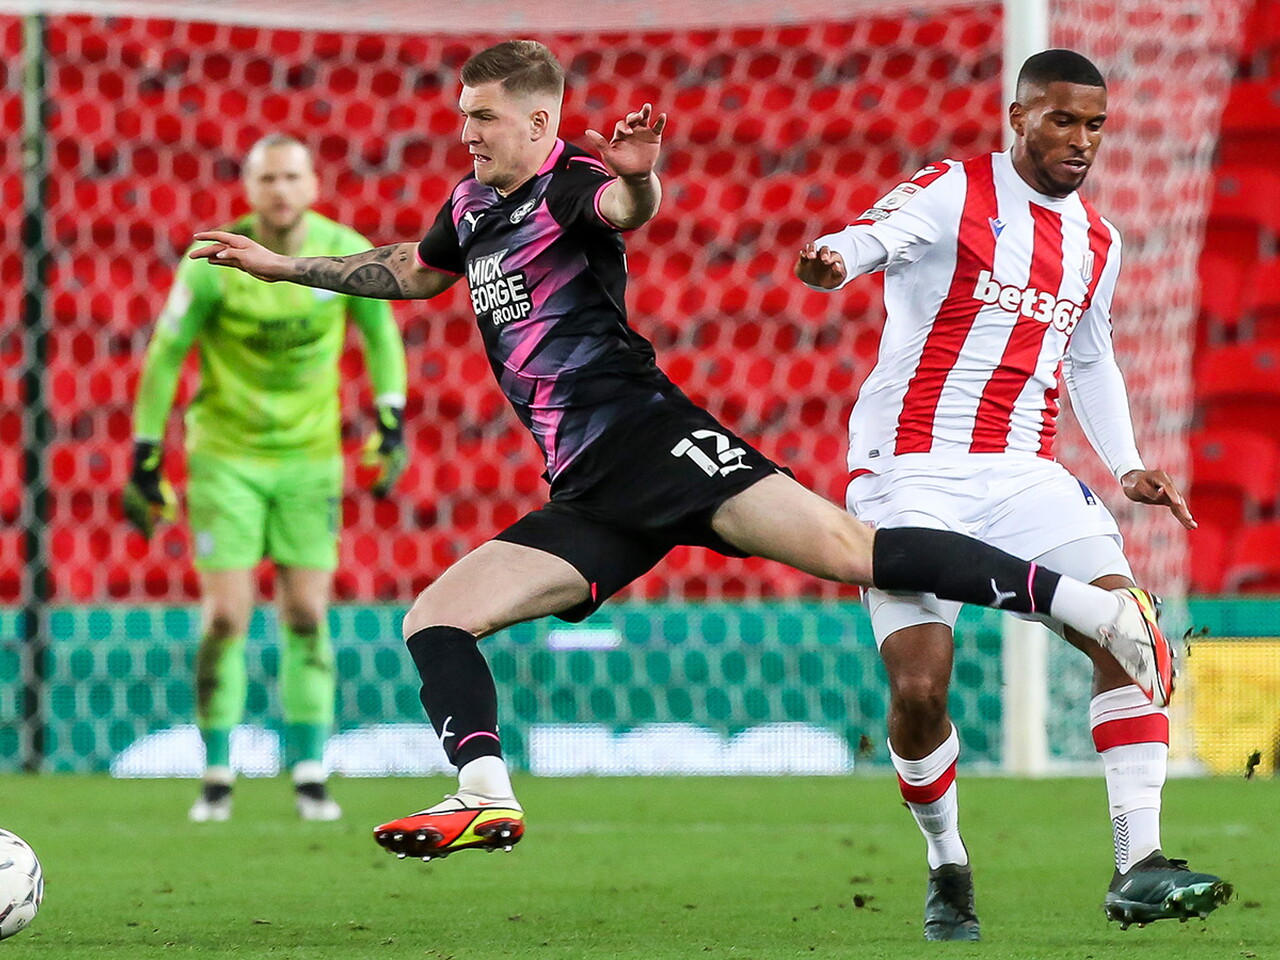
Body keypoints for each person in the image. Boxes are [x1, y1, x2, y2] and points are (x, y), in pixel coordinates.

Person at [189, 41, 1171, 864]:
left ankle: (1085, 608)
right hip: (587, 490)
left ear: (537, 124)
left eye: (483, 118)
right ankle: (483, 791)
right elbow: (410, 270)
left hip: (655, 442)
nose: (466, 133)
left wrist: (636, 176)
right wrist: (285, 268)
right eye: (463, 117)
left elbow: (628, 212)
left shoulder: (570, 185)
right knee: (435, 619)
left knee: (851, 552)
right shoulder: (471, 207)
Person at [795, 49, 1230, 939]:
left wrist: (1128, 464)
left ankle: (1138, 864)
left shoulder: (1095, 242)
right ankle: (947, 859)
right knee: (920, 690)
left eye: (1096, 125)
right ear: (1017, 115)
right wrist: (834, 260)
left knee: (1132, 632)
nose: (1081, 141)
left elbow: (1092, 355)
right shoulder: (955, 189)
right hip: (910, 469)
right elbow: (872, 236)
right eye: (1063, 120)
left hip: (1026, 473)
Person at [124, 134, 409, 823]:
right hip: (226, 457)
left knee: (307, 615)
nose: (280, 190)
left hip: (310, 460)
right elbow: (166, 354)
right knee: (227, 616)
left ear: (312, 185)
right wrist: (144, 449)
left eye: (291, 177)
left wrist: (390, 414)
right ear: (250, 191)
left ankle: (310, 770)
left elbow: (380, 335)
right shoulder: (217, 263)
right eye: (266, 179)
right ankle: (217, 772)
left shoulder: (341, 252)